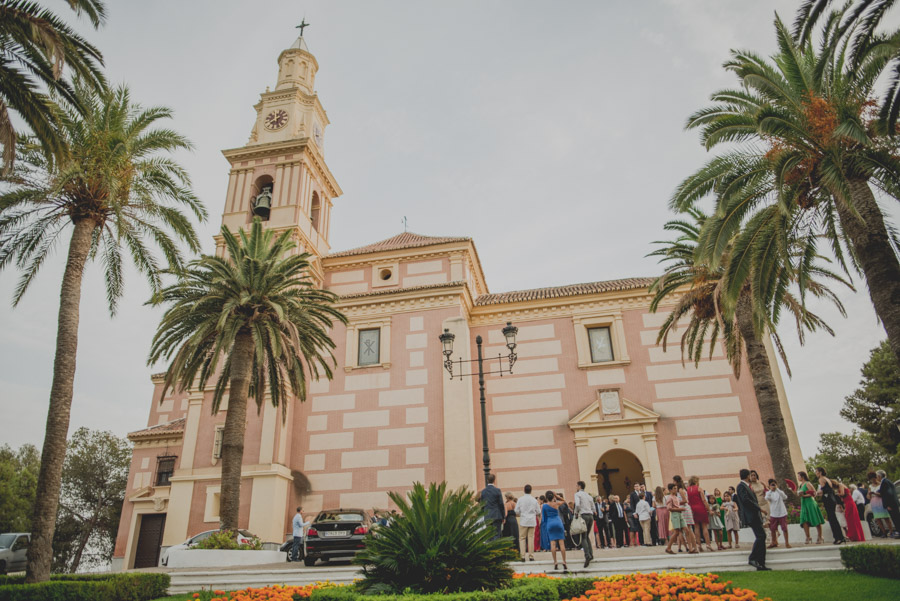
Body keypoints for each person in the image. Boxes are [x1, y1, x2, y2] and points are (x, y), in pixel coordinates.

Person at [737, 468, 770, 570]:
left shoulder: (747, 486)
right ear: (747, 476)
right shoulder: (741, 486)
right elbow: (746, 500)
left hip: (755, 515)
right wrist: (759, 508)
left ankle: (761, 563)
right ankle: (753, 558)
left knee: (762, 536)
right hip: (751, 515)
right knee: (761, 536)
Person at [815, 467, 846, 545]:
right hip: (832, 499)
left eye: (816, 471)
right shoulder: (827, 479)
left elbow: (824, 490)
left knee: (832, 519)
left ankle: (838, 537)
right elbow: (829, 489)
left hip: (828, 499)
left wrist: (817, 492)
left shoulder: (821, 479)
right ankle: (840, 536)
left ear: (820, 472)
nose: (815, 473)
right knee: (833, 518)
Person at [541, 490, 568, 571]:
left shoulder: (544, 506)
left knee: (553, 544)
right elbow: (564, 501)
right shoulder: (556, 504)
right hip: (558, 522)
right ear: (552, 497)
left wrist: (546, 526)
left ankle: (555, 562)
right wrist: (557, 496)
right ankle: (564, 561)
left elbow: (544, 518)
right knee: (561, 544)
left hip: (550, 523)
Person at [796, 471, 824, 544]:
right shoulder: (800, 485)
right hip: (804, 503)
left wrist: (804, 495)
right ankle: (808, 537)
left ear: (802, 476)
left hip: (810, 503)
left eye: (798, 476)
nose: (798, 478)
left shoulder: (807, 483)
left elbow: (814, 493)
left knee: (815, 518)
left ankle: (820, 536)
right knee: (804, 520)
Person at [687, 475, 713, 552]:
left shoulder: (687, 490)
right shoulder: (699, 489)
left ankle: (699, 545)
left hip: (692, 509)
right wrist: (709, 509)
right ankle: (708, 544)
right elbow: (704, 500)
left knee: (696, 527)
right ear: (696, 481)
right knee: (704, 526)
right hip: (700, 507)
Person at [514, 484, 539, 561]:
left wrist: (521, 513)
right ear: (531, 490)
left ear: (524, 490)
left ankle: (522, 556)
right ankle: (531, 556)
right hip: (532, 520)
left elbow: (516, 510)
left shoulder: (520, 499)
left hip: (523, 520)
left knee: (522, 538)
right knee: (531, 538)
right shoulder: (534, 500)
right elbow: (538, 511)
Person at [574, 480, 595, 567]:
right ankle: (591, 553)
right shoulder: (588, 495)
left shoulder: (577, 494)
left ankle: (587, 555)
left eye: (576, 486)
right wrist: (593, 512)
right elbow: (593, 506)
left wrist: (576, 512)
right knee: (587, 535)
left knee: (583, 536)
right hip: (590, 515)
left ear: (579, 486)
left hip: (583, 515)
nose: (576, 487)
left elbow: (578, 504)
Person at [764, 479, 790, 548]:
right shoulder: (768, 493)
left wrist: (777, 489)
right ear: (769, 486)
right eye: (771, 484)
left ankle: (787, 543)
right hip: (774, 513)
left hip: (782, 513)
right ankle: (773, 542)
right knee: (773, 529)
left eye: (774, 484)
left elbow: (785, 497)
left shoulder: (779, 492)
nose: (773, 486)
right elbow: (766, 498)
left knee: (784, 528)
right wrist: (770, 490)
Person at [876, 470, 900, 538]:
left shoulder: (884, 482)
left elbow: (888, 494)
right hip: (894, 503)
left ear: (879, 476)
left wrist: (888, 505)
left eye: (877, 476)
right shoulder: (888, 481)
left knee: (895, 519)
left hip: (891, 504)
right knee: (897, 518)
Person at [867, 472, 893, 538]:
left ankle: (891, 531)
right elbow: (868, 497)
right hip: (874, 502)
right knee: (878, 518)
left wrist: (875, 493)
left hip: (881, 501)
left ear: (876, 478)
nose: (873, 480)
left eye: (874, 478)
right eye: (871, 479)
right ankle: (884, 532)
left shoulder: (881, 484)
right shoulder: (870, 486)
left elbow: (883, 494)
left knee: (886, 517)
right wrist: (869, 494)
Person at [480, 473, 504, 540]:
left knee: (489, 534)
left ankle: (490, 549)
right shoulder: (497, 490)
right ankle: (496, 549)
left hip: (487, 515)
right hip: (497, 515)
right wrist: (503, 516)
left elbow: (482, 504)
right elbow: (501, 504)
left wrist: (483, 513)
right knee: (497, 533)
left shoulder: (483, 492)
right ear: (494, 480)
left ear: (487, 480)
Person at [664, 483, 687, 555]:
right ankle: (668, 547)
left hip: (679, 514)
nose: (676, 490)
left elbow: (677, 504)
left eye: (676, 488)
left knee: (686, 529)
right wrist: (680, 509)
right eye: (674, 488)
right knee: (676, 532)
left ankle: (689, 547)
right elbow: (669, 508)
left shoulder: (676, 497)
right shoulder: (670, 497)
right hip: (675, 514)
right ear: (670, 490)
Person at [749, 470, 770, 537]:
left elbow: (767, 490)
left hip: (765, 503)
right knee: (762, 521)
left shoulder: (761, 483)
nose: (753, 477)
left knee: (768, 520)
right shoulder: (750, 486)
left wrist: (765, 492)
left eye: (754, 475)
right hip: (758, 505)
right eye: (751, 475)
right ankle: (766, 537)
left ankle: (772, 537)